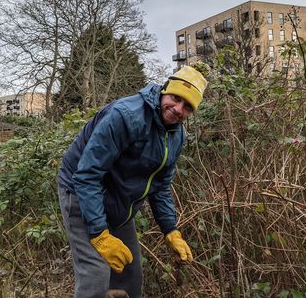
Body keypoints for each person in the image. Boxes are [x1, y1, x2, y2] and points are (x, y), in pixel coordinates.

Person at [57, 66, 208, 298]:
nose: (178, 109)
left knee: (129, 274)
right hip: (81, 192)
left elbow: (160, 186)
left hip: (118, 199)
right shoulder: (126, 116)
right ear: (164, 91)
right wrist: (99, 234)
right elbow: (87, 175)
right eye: (176, 98)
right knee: (95, 274)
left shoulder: (176, 136)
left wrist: (171, 231)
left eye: (187, 106)